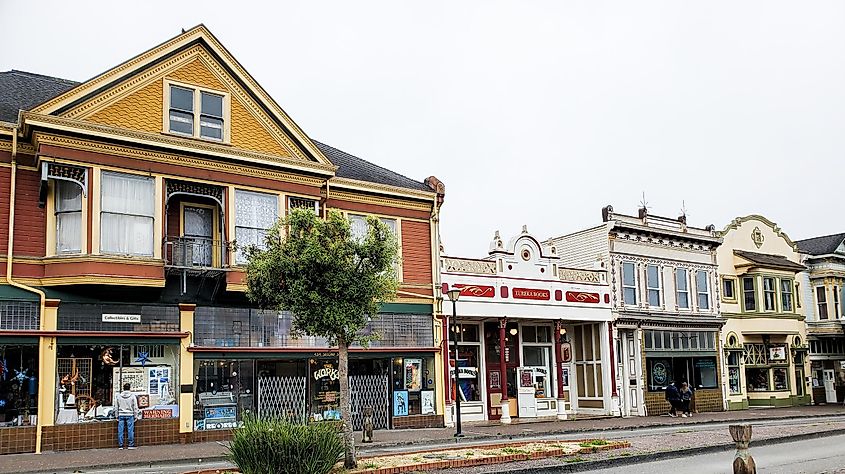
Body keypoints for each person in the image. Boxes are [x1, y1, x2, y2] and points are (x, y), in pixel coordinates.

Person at [115, 383, 140, 449]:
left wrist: (116, 415)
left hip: (121, 414)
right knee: (130, 430)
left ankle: (120, 445)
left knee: (120, 430)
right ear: (129, 388)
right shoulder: (132, 396)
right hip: (130, 414)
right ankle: (130, 445)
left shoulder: (119, 396)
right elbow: (135, 407)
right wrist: (136, 416)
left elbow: (116, 407)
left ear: (123, 388)